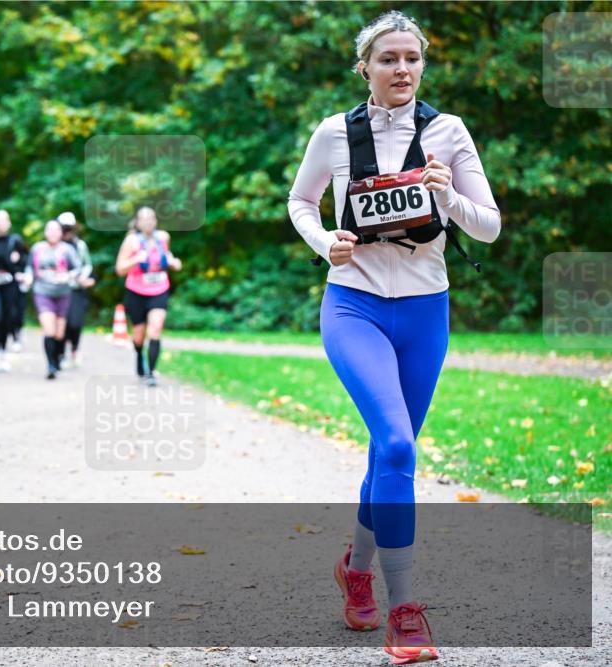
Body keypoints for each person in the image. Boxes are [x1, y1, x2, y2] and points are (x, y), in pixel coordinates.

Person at [288, 11, 501, 665]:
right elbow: (301, 202)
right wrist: (330, 245)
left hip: (424, 311)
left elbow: (489, 226)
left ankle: (356, 566)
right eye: (388, 59)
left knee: (390, 452)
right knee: (400, 440)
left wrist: (449, 198)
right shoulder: (334, 133)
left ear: (422, 64)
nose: (402, 68)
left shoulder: (448, 132)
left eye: (412, 57)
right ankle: (405, 611)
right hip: (354, 308)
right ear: (366, 68)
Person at [114, 207, 182, 387]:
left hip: (159, 289)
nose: (148, 222)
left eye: (151, 218)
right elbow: (119, 269)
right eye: (143, 219)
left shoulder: (163, 237)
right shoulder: (131, 241)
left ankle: (151, 372)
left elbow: (167, 257)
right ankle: (139, 355)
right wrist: (136, 259)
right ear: (137, 222)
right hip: (136, 291)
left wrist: (174, 262)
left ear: (156, 220)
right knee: (138, 336)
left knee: (156, 329)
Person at [24, 219, 82, 379]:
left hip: (63, 293)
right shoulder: (37, 248)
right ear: (45, 232)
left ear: (61, 233)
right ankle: (50, 365)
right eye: (49, 230)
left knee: (59, 332)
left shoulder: (67, 249)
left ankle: (57, 358)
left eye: (56, 230)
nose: (53, 233)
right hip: (42, 292)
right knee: (48, 329)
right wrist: (28, 278)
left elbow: (77, 268)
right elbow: (29, 267)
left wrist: (69, 275)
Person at [0, 210, 28, 373]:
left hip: (10, 285)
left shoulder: (15, 241)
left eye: (4, 220)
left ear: (9, 223)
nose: (1, 223)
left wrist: (18, 265)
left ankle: (2, 353)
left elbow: (25, 261)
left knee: (7, 318)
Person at [58, 211, 95, 368]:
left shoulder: (80, 246)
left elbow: (87, 265)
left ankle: (74, 348)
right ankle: (61, 353)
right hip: (59, 290)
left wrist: (84, 278)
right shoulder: (55, 246)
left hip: (77, 290)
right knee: (62, 323)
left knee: (76, 322)